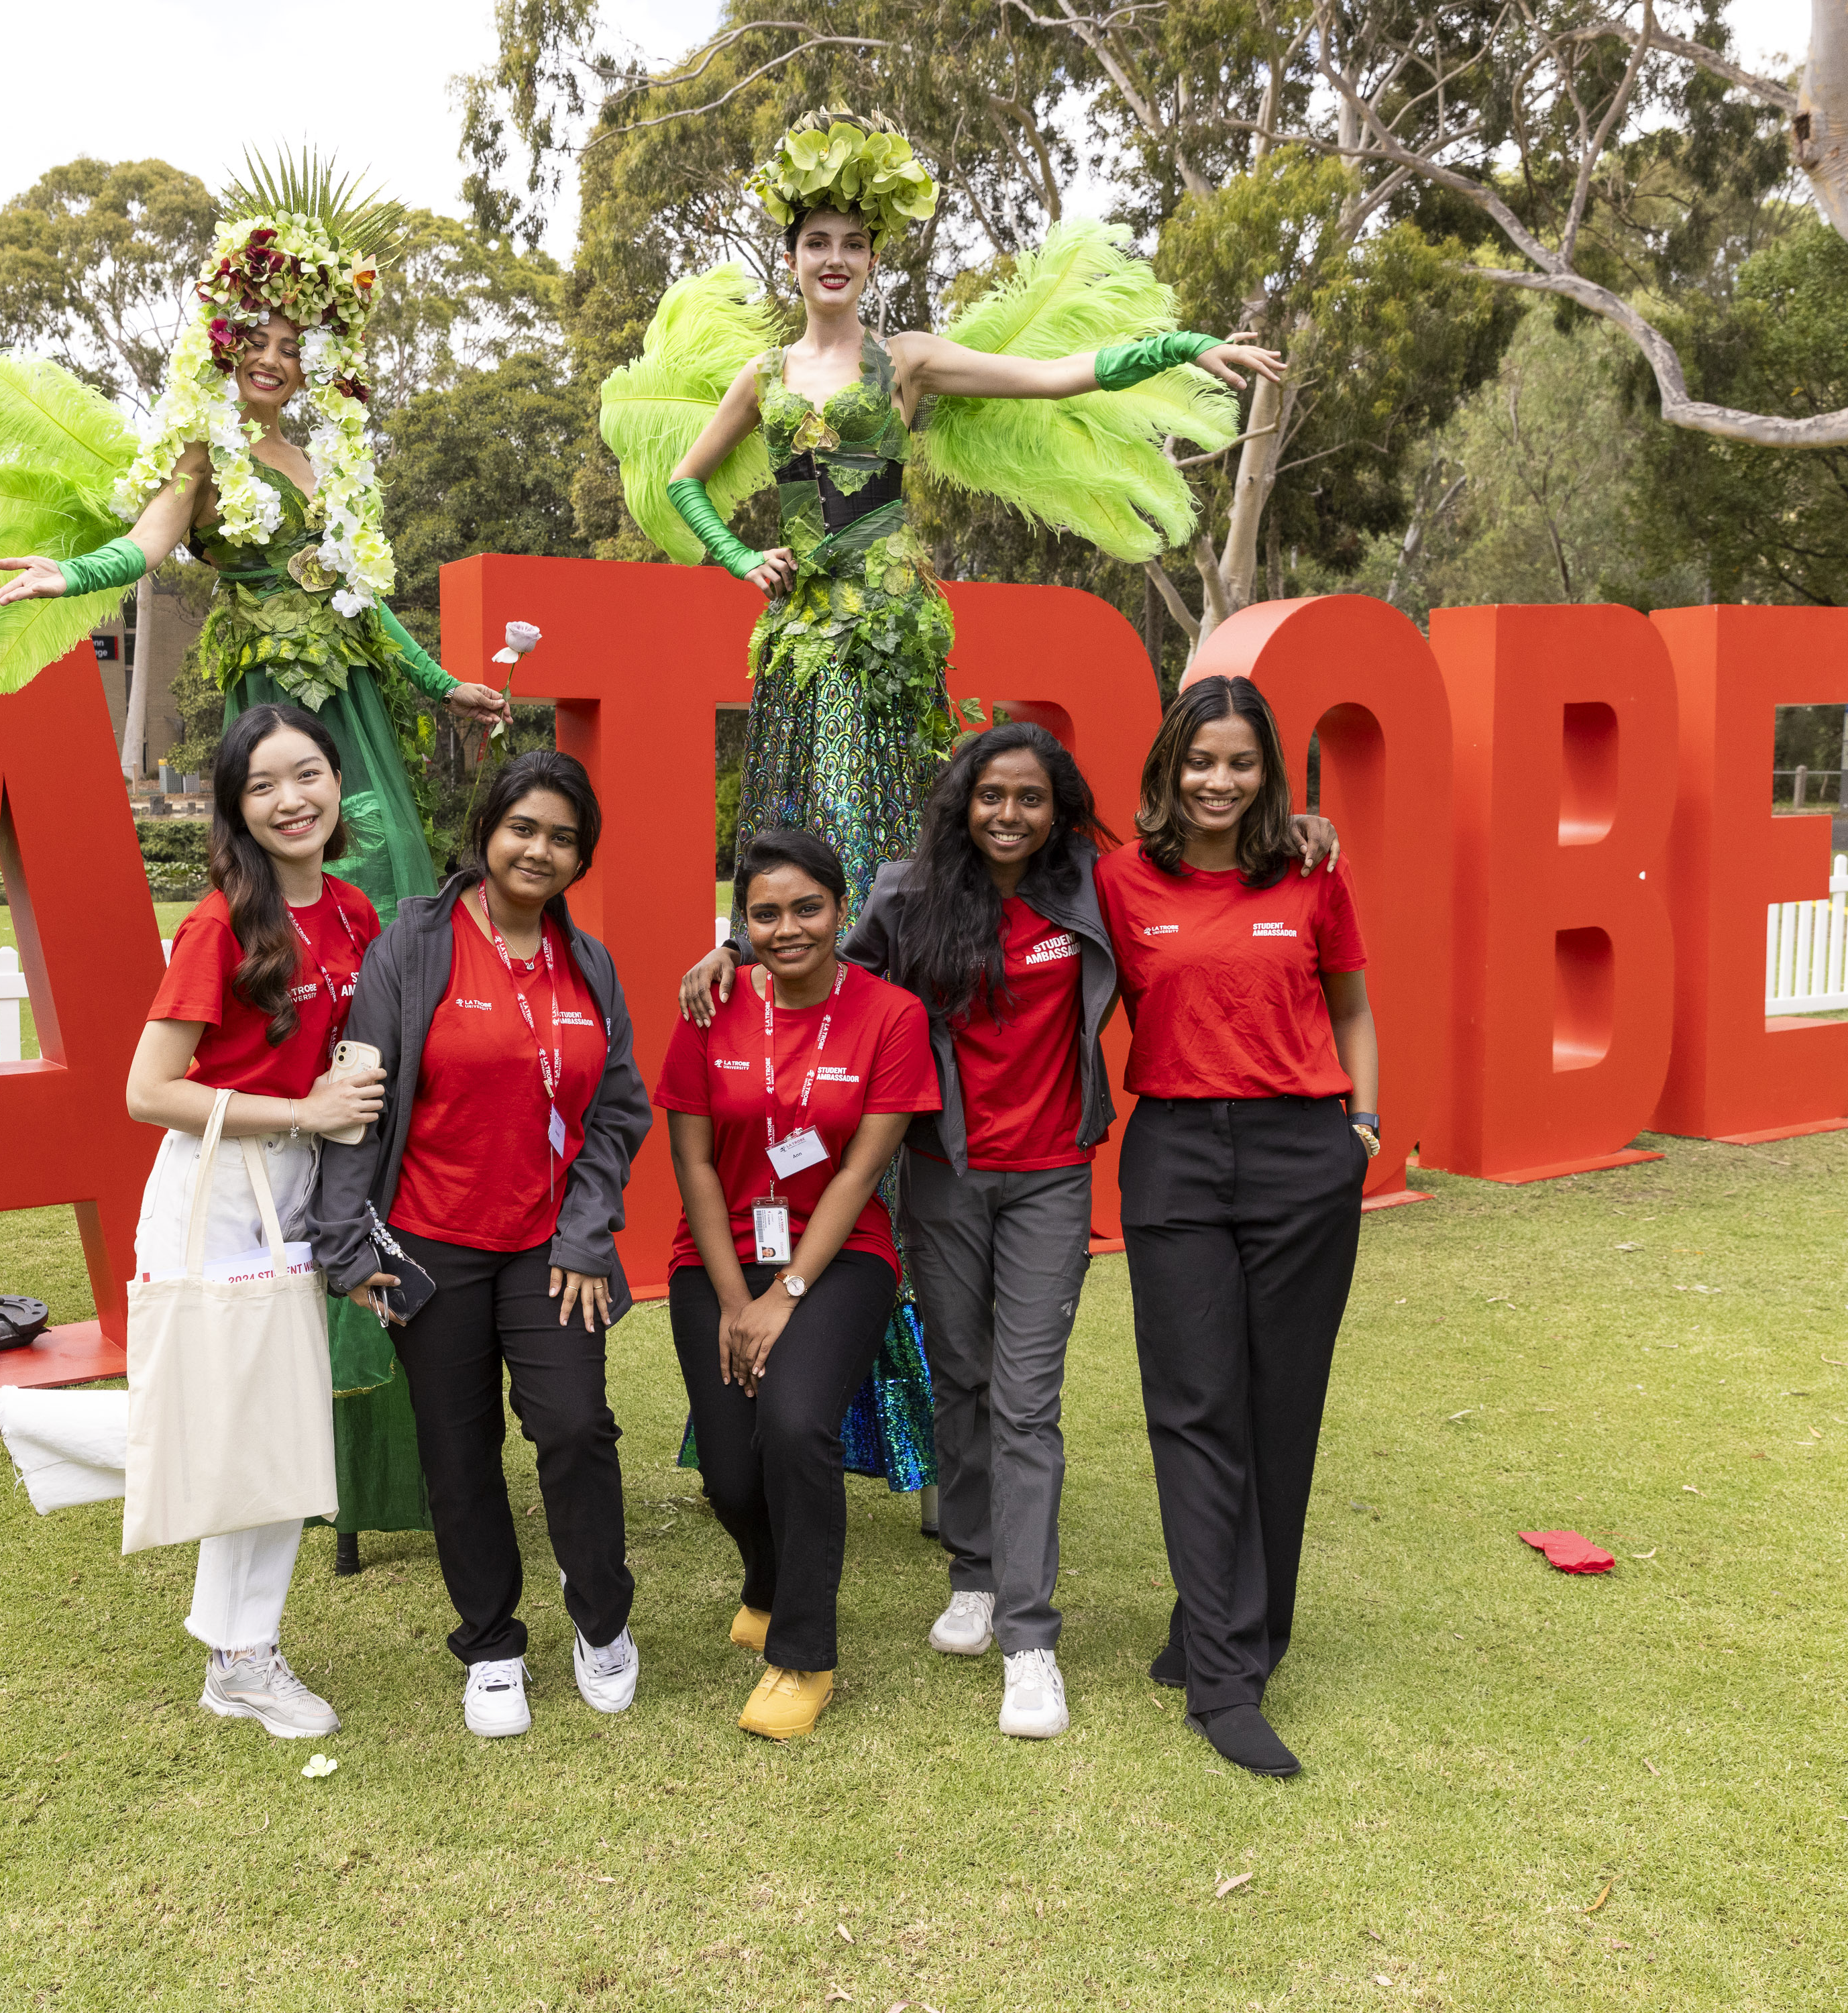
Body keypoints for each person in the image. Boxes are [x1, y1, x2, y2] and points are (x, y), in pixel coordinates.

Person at [601, 107, 1282, 1499]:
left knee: (891, 897)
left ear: (873, 260)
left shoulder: (907, 363)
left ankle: (902, 1369)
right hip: (803, 651)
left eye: (854, 244)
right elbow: (679, 484)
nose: (835, 260)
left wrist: (1183, 352)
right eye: (817, 244)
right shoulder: (762, 369)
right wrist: (746, 556)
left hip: (895, 637)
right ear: (790, 259)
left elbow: (1056, 374)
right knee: (794, 849)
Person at [0, 151, 488, 1547]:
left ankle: (387, 1341)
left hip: (364, 728)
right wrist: (66, 578)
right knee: (294, 945)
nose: (275, 360)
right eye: (254, 340)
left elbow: (364, 601)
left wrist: (446, 686)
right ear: (224, 344)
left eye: (294, 341)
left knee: (394, 972)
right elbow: (146, 545)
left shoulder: (333, 459)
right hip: (285, 718)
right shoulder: (203, 455)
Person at [679, 728, 1344, 1741]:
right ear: (964, 799)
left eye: (1031, 798)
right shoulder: (909, 892)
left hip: (1051, 1178)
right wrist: (733, 946)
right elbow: (820, 966)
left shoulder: (1094, 883)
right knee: (963, 1380)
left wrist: (1292, 829)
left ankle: (1031, 1640)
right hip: (944, 1178)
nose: (1009, 815)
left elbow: (1205, 864)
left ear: (1058, 807)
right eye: (991, 794)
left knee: (1027, 1398)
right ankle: (977, 1572)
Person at [0, 705, 384, 1739]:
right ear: (236, 809)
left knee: (271, 1430)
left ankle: (239, 1658)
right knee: (209, 1431)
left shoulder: (351, 912)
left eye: (307, 775)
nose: (291, 799)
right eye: (263, 786)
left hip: (299, 1189)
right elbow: (147, 1088)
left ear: (337, 784)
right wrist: (304, 1110)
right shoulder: (224, 922)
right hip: (215, 1189)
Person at [313, 751, 652, 1738]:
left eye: (563, 837)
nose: (540, 850)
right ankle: (492, 1642)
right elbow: (358, 1109)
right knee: (457, 1447)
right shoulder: (412, 947)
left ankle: (602, 1619)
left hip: (552, 1246)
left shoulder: (586, 963)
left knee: (576, 1425)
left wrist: (588, 1233)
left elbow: (617, 1111)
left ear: (581, 855)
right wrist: (346, 1241)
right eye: (525, 828)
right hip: (428, 1242)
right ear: (488, 829)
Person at [1097, 675, 1380, 1780]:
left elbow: (1353, 1005)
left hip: (1302, 1154)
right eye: (1201, 760)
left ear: (1271, 773)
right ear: (1169, 765)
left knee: (1279, 1407)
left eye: (1242, 762)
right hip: (1172, 1152)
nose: (1220, 781)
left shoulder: (1311, 869)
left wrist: (1360, 1127)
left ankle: (1238, 1630)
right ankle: (1223, 1678)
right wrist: (741, 949)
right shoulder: (1119, 877)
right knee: (1193, 1403)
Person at [659, 828, 940, 1741]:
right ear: (741, 923)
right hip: (718, 1257)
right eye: (766, 912)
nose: (789, 928)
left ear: (841, 907)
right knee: (732, 1472)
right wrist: (738, 1298)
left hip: (843, 1254)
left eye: (807, 907)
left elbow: (862, 1171)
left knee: (794, 1422)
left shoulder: (891, 1015)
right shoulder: (712, 1003)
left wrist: (787, 1294)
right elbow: (694, 1163)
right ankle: (769, 1583)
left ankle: (805, 1652)